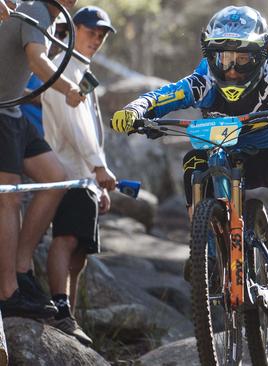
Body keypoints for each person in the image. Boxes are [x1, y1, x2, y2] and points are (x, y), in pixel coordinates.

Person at [110, 6, 268, 326]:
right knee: (194, 166)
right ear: (210, 54)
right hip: (228, 150)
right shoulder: (203, 79)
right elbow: (161, 96)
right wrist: (133, 110)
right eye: (223, 57)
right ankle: (206, 253)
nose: (231, 69)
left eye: (242, 59)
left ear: (260, 55)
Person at [0, 0, 83, 319]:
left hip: (14, 112)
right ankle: (7, 292)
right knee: (9, 199)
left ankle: (21, 269)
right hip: (3, 116)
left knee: (54, 177)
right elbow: (37, 60)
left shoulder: (45, 16)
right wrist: (68, 88)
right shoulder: (35, 9)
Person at [41, 5, 117, 345]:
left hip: (84, 174)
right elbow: (74, 127)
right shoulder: (61, 68)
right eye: (91, 32)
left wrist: (96, 178)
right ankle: (60, 310)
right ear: (72, 30)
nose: (96, 39)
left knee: (81, 252)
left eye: (101, 35)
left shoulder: (81, 70)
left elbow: (91, 129)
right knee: (67, 239)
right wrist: (97, 167)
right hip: (67, 169)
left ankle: (70, 318)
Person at [21, 14, 70, 136]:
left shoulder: (63, 68)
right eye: (54, 31)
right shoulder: (23, 57)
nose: (57, 38)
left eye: (62, 34)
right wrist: (45, 98)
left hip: (44, 138)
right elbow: (8, 91)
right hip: (16, 128)